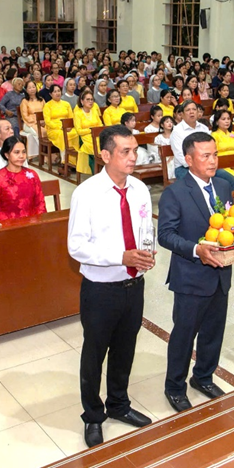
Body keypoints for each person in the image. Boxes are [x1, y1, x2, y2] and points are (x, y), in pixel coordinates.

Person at [67, 125, 155, 448]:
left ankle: (119, 403)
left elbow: (145, 229)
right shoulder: (87, 193)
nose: (133, 157)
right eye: (125, 151)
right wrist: (120, 256)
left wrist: (148, 252)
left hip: (134, 284)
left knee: (125, 348)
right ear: (105, 155)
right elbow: (76, 247)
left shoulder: (140, 189)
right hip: (101, 289)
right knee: (95, 353)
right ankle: (93, 415)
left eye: (135, 150)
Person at [158, 131, 234, 412]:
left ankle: (203, 376)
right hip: (190, 276)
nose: (212, 161)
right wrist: (195, 249)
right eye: (205, 156)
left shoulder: (223, 186)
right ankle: (175, 387)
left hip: (220, 274)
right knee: (184, 335)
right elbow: (165, 235)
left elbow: (230, 225)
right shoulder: (175, 193)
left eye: (215, 155)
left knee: (214, 331)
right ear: (189, 160)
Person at [170, 101, 234, 191]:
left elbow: (212, 148)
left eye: (194, 109)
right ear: (182, 114)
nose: (191, 112)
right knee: (198, 187)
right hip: (185, 168)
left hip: (206, 164)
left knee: (230, 181)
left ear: (198, 112)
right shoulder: (177, 131)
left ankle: (221, 200)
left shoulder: (203, 128)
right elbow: (181, 157)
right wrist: (200, 167)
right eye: (188, 110)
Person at [0, 136, 47, 222]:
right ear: (7, 155)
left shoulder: (32, 175)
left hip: (33, 223)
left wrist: (37, 222)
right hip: (8, 225)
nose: (21, 156)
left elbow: (40, 203)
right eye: (16, 152)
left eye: (24, 152)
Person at [44, 84, 75, 162]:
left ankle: (74, 160)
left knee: (76, 133)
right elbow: (47, 121)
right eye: (55, 92)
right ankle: (64, 161)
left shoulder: (66, 104)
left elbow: (71, 118)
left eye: (58, 91)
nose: (57, 93)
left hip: (67, 128)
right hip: (53, 129)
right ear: (50, 94)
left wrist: (69, 127)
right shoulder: (47, 105)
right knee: (62, 135)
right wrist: (60, 127)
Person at [19, 80, 45, 158]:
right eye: (29, 88)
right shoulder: (24, 101)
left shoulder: (41, 100)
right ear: (26, 90)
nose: (32, 89)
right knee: (39, 133)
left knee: (49, 131)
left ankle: (48, 152)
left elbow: (46, 113)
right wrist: (36, 121)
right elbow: (24, 116)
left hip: (42, 123)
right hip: (29, 124)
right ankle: (43, 154)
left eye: (33, 87)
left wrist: (44, 121)